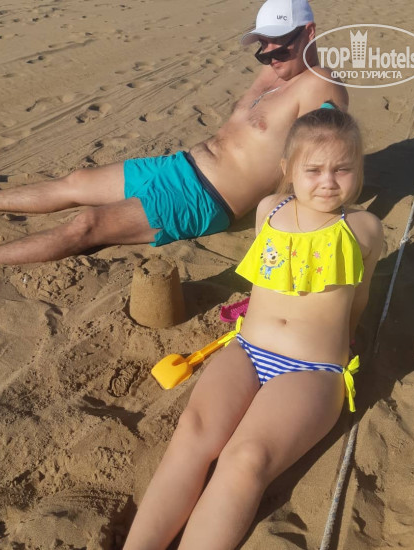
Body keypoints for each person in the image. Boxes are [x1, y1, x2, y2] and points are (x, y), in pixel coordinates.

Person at [0, 0, 348, 274]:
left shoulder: (319, 86)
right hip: (180, 166)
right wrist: (276, 57)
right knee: (77, 182)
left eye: (279, 44)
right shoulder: (277, 68)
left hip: (205, 199)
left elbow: (326, 162)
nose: (269, 55)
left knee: (87, 225)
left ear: (309, 33)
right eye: (262, 45)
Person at [122, 106, 384, 550]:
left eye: (343, 169)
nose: (328, 181)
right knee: (192, 432)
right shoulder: (270, 209)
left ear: (358, 170)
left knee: (246, 459)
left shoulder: (363, 229)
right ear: (288, 169)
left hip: (312, 370)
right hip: (247, 349)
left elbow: (358, 299)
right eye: (313, 169)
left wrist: (347, 346)